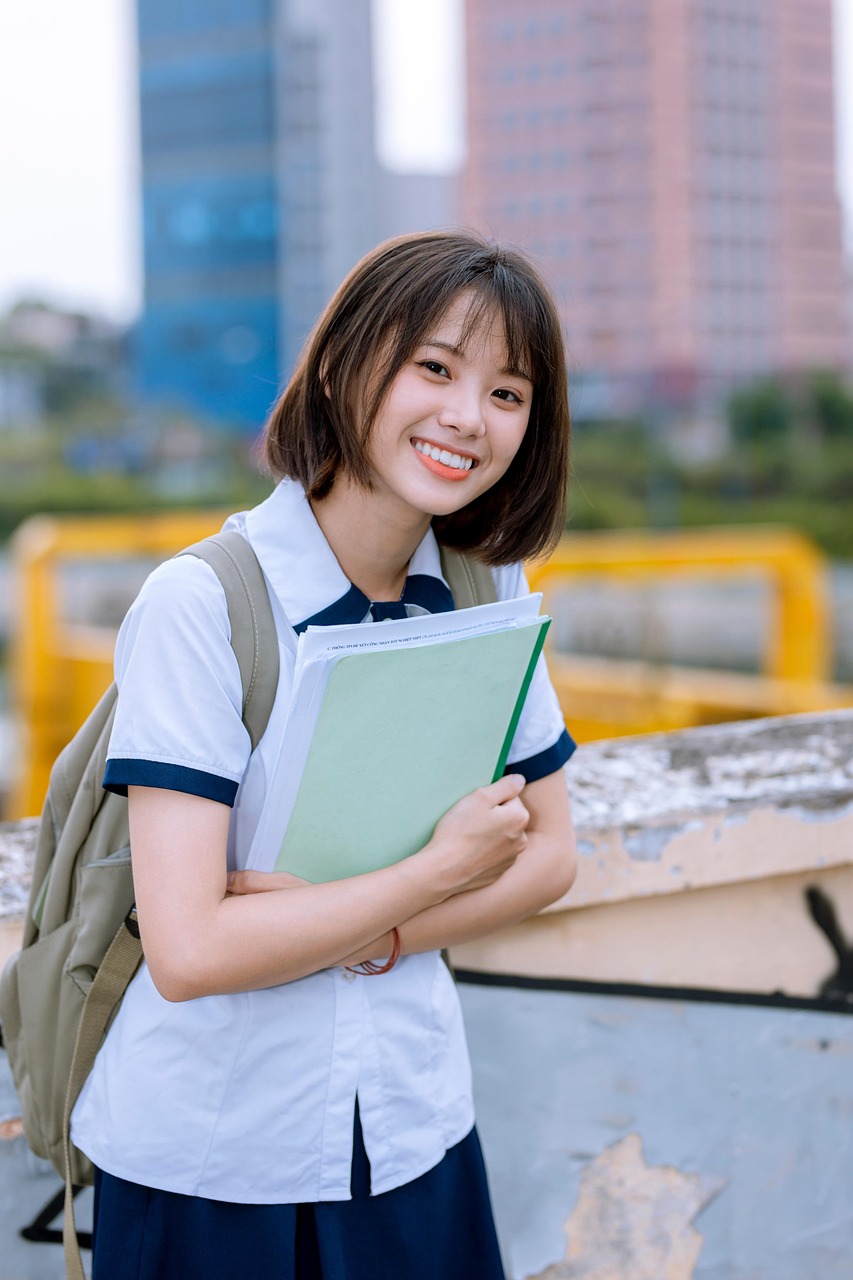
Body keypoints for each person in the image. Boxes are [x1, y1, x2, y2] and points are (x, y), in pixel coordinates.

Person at [71, 230, 578, 1280]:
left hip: (412, 1131)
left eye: (507, 392)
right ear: (348, 363)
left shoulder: (491, 590)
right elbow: (193, 949)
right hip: (212, 1165)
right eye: (434, 368)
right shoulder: (205, 602)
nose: (465, 417)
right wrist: (433, 872)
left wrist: (372, 928)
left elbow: (550, 854)